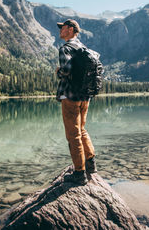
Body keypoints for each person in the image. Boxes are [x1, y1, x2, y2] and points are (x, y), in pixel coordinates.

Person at [56, 19, 97, 185]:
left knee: (73, 135)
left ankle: (79, 173)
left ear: (71, 29)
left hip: (70, 97)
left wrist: (59, 72)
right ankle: (90, 163)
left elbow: (66, 70)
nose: (60, 30)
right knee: (81, 130)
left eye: (63, 27)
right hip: (85, 96)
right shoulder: (83, 48)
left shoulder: (66, 48)